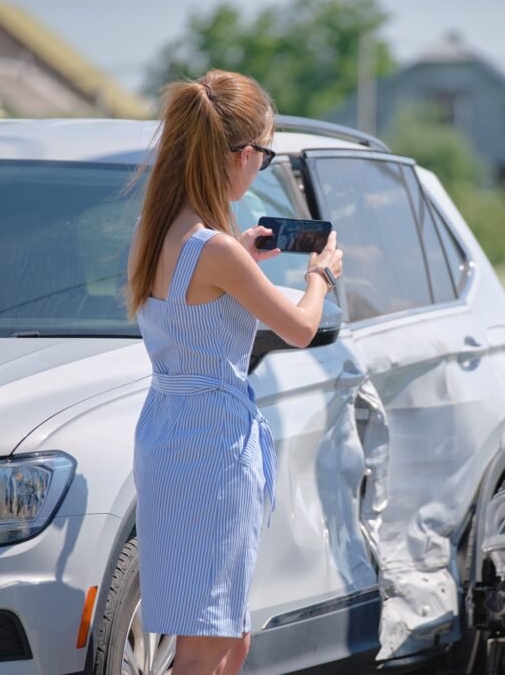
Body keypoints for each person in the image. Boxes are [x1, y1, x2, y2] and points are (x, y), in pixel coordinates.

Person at [123, 69, 343, 675]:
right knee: (207, 643)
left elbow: (190, 307)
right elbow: (299, 328)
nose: (262, 168)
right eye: (266, 157)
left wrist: (242, 257)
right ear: (243, 155)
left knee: (226, 635)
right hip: (211, 443)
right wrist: (320, 276)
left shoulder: (162, 232)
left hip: (171, 430)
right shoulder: (214, 248)